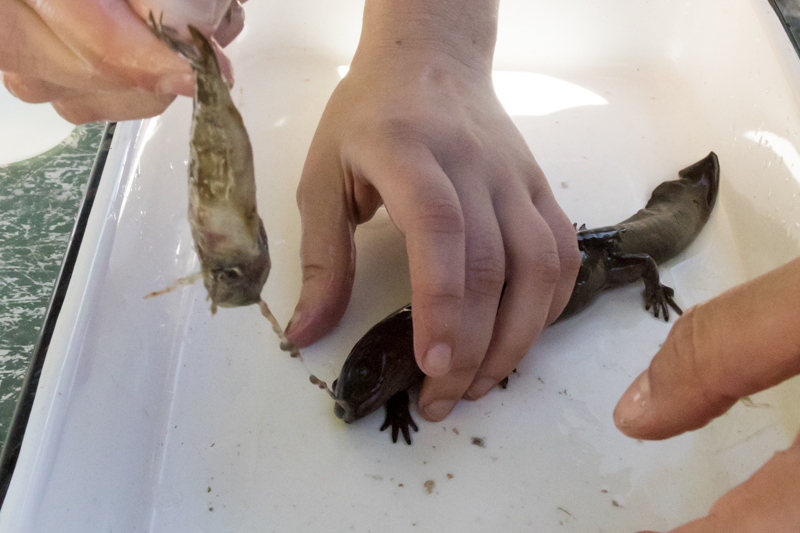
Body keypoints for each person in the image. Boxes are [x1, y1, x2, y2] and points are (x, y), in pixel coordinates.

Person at [2, 1, 797, 530]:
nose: (359, 395)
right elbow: (405, 371)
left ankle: (671, 225)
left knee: (639, 247)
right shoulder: (384, 368)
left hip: (614, 224)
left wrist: (433, 37)